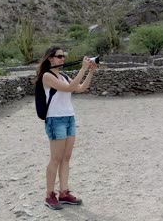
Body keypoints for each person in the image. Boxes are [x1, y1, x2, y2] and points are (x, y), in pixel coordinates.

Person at [35, 46, 97, 210]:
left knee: (66, 158)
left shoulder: (63, 75)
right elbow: (69, 88)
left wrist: (90, 71)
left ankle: (64, 193)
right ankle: (49, 195)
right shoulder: (47, 76)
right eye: (59, 56)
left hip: (69, 118)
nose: (62, 59)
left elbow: (80, 88)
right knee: (55, 158)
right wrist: (83, 68)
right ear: (50, 58)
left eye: (63, 57)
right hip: (55, 119)